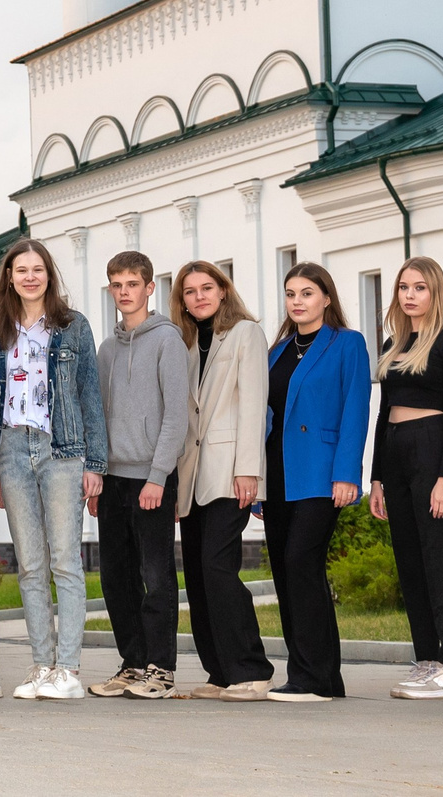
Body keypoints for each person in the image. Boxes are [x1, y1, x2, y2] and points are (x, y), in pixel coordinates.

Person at [0, 236, 105, 702]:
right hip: (13, 449)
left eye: (37, 269)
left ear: (48, 275)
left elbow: (90, 395)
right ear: (10, 278)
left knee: (65, 561)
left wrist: (95, 463)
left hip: (62, 449)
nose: (29, 276)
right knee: (30, 565)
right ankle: (41, 665)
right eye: (21, 270)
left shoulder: (73, 326)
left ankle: (68, 669)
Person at [260, 261, 369, 702]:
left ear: (326, 298)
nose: (298, 301)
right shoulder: (277, 350)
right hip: (279, 474)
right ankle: (322, 675)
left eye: (307, 293)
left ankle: (312, 677)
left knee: (302, 565)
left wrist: (347, 474)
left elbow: (356, 409)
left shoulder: (348, 344)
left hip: (321, 475)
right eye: (291, 294)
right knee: (288, 574)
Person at [370, 255, 443, 701]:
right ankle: (427, 661)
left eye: (419, 288)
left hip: (433, 446)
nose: (410, 295)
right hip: (395, 450)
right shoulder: (395, 344)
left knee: (441, 559)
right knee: (411, 562)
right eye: (403, 287)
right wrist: (375, 478)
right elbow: (382, 414)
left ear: (436, 293)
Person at [173, 260, 271, 701]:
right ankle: (220, 672)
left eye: (206, 288)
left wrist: (248, 469)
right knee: (196, 572)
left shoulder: (246, 333)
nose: (199, 297)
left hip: (231, 470)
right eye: (190, 292)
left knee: (217, 566)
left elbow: (254, 403)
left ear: (224, 291)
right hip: (194, 476)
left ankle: (251, 668)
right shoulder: (189, 343)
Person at [93, 250, 187, 702]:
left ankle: (161, 670)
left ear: (150, 288)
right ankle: (132, 665)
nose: (124, 292)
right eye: (116, 284)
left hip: (151, 478)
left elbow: (175, 415)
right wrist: (96, 473)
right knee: (116, 576)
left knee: (156, 575)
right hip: (111, 479)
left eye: (132, 284)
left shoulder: (168, 340)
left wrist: (158, 476)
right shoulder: (108, 348)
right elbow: (99, 415)